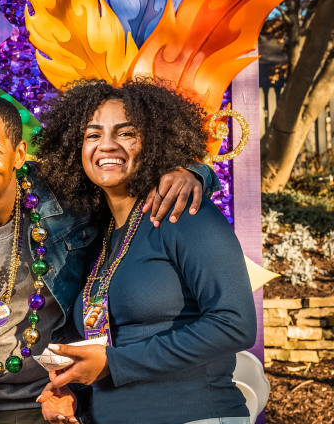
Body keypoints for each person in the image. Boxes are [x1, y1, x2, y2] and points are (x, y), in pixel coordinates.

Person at [0, 94, 220, 424]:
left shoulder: (66, 197)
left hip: (59, 400)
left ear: (19, 154)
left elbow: (125, 169)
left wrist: (191, 173)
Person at [35, 79, 257, 424]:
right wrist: (73, 394)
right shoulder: (97, 237)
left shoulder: (183, 213)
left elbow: (235, 324)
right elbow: (109, 342)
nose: (106, 146)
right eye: (92, 135)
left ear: (154, 143)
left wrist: (114, 363)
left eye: (126, 133)